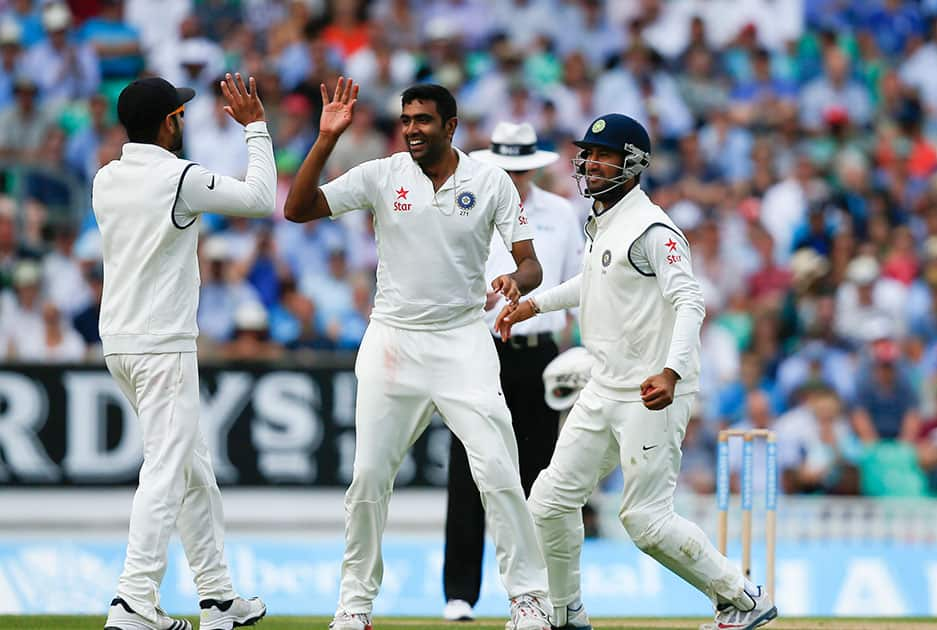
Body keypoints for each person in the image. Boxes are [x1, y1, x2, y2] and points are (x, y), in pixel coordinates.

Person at [283, 78, 554, 630]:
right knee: (367, 478)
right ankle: (354, 606)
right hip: (393, 341)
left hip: (463, 340)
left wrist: (512, 281)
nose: (411, 129)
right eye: (406, 120)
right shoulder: (383, 175)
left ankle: (528, 599)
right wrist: (327, 138)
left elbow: (532, 265)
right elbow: (297, 208)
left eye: (423, 120)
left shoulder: (491, 180)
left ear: (450, 126)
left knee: (499, 470)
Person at [497, 114, 778, 630]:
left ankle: (743, 598)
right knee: (550, 501)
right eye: (588, 153)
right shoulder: (604, 222)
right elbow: (593, 283)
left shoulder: (653, 229)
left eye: (604, 155)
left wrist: (671, 373)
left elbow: (690, 301)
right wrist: (534, 307)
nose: (591, 163)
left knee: (645, 521)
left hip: (652, 392)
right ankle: (565, 612)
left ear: (634, 165)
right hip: (605, 386)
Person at [93, 74, 274, 630]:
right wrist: (256, 130)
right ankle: (133, 600)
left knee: (193, 473)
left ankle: (218, 599)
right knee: (168, 471)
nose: (183, 122)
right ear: (169, 122)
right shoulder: (179, 178)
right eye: (179, 115)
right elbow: (263, 200)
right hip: (163, 346)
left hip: (120, 343)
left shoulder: (105, 178)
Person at [441, 121, 584, 622]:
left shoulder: (561, 214)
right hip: (479, 347)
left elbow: (572, 285)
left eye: (522, 169)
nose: (514, 177)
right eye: (506, 168)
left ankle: (536, 593)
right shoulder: (471, 205)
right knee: (469, 469)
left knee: (539, 474)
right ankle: (460, 593)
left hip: (537, 348)